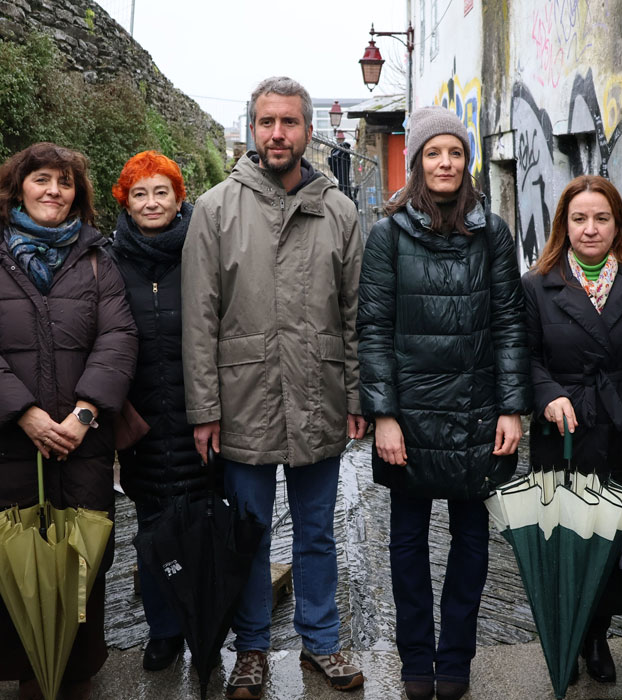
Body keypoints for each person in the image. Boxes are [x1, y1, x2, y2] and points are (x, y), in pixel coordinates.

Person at [182, 76, 367, 700]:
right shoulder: (215, 210)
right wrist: (204, 410)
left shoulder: (339, 212)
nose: (278, 133)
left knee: (317, 532)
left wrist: (357, 398)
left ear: (309, 131)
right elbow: (199, 318)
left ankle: (321, 640)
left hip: (319, 393)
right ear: (252, 129)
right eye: (267, 122)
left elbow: (355, 314)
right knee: (250, 533)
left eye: (289, 122)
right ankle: (252, 650)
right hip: (244, 399)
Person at [0, 142, 137, 700]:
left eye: (65, 182)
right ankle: (29, 678)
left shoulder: (96, 258)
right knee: (11, 562)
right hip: (0, 446)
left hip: (79, 443)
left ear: (78, 195)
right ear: (17, 187)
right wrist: (23, 413)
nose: (54, 190)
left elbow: (118, 337)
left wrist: (84, 413)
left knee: (79, 556)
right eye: (42, 179)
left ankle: (78, 675)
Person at [357, 105, 530, 700]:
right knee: (407, 545)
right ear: (417, 162)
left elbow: (509, 322)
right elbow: (373, 329)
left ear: (467, 162)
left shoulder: (493, 232)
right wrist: (383, 416)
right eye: (434, 153)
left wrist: (512, 407)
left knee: (472, 542)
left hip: (477, 413)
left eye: (455, 152)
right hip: (408, 417)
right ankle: (416, 660)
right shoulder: (386, 236)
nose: (446, 163)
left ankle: (455, 658)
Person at [521, 174, 622, 684]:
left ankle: (596, 629)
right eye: (579, 218)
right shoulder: (538, 284)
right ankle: (570, 632)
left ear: (618, 224)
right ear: (564, 224)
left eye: (601, 218)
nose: (590, 229)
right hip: (563, 434)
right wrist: (548, 394)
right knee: (566, 539)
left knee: (618, 544)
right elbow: (524, 357)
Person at [108, 150, 201, 672]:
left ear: (178, 198)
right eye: (139, 193)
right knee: (151, 530)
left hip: (199, 414)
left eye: (161, 191)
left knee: (202, 523)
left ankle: (205, 620)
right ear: (125, 202)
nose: (151, 202)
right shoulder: (108, 259)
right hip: (141, 418)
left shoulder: (203, 250)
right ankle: (163, 630)